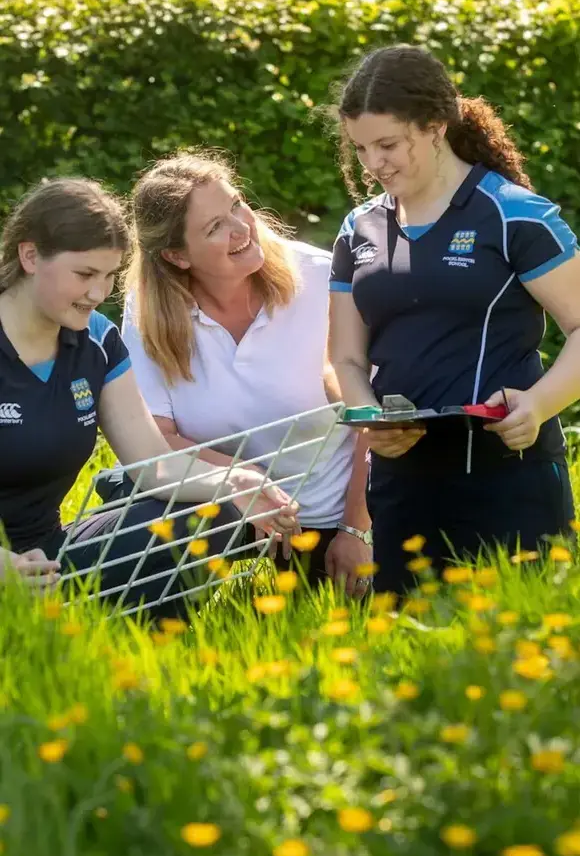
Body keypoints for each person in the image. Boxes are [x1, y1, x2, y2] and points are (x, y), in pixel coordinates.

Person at [327, 44, 580, 596]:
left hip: (510, 477)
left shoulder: (515, 215)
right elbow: (344, 356)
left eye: (389, 144)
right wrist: (368, 415)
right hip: (400, 486)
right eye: (361, 148)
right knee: (408, 667)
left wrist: (539, 405)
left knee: (519, 667)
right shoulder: (357, 230)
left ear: (436, 125)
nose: (375, 164)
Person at [0, 177, 299, 616]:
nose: (98, 294)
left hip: (46, 558)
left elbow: (153, 463)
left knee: (224, 511)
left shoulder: (98, 340)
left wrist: (234, 481)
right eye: (84, 274)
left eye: (109, 276)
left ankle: (142, 646)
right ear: (30, 256)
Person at [113, 149, 373, 597]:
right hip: (224, 513)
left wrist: (358, 528)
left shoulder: (322, 279)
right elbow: (155, 442)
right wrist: (246, 484)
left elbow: (377, 419)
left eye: (236, 204)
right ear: (177, 256)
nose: (242, 227)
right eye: (215, 227)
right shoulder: (148, 313)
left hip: (334, 517)